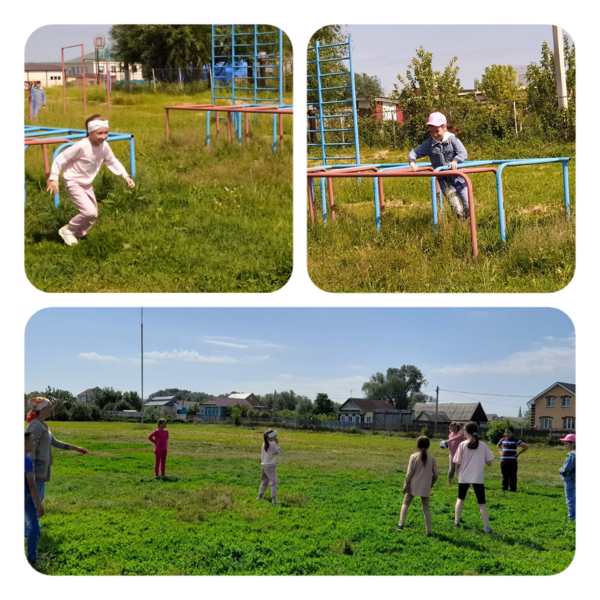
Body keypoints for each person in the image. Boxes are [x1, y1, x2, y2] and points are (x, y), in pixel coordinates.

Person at [46, 113, 135, 246]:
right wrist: (53, 178)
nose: (104, 136)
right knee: (89, 212)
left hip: (87, 184)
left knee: (93, 215)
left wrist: (125, 175)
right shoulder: (82, 146)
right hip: (73, 182)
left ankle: (77, 233)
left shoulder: (104, 146)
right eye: (100, 133)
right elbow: (61, 159)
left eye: (106, 133)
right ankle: (68, 230)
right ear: (90, 132)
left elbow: (112, 161)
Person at [25, 396, 89, 503]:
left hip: (42, 469)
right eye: (49, 407)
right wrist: (30, 473)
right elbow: (29, 449)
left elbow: (55, 442)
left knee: (37, 501)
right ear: (42, 409)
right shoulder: (36, 425)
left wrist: (76, 448)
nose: (51, 409)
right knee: (34, 504)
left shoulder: (44, 425)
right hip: (36, 471)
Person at [408, 111, 470, 219]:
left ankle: (471, 220)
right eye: (431, 132)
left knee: (466, 201)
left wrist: (456, 161)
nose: (434, 134)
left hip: (458, 176)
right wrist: (412, 162)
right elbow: (414, 152)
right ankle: (461, 222)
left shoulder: (452, 140)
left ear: (444, 127)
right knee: (455, 204)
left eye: (437, 131)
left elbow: (463, 152)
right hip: (444, 179)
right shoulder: (429, 143)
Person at [453, 421, 494, 533]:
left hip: (464, 477)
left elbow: (457, 462)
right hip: (478, 478)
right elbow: (490, 461)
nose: (463, 432)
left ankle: (456, 522)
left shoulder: (462, 445)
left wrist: (457, 474)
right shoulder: (483, 445)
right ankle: (486, 527)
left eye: (464, 430)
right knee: (482, 503)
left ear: (467, 431)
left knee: (460, 499)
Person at [398, 436, 438, 535]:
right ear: (428, 446)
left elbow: (409, 473)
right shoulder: (432, 458)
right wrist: (431, 484)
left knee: (405, 504)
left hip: (413, 485)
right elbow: (436, 475)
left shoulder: (413, 457)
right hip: (425, 486)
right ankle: (429, 531)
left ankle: (401, 524)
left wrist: (405, 485)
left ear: (417, 445)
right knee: (426, 508)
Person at [25, 431, 44, 566]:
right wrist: (39, 505)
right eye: (30, 441)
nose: (33, 443)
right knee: (34, 528)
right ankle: (31, 558)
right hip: (26, 498)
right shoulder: (26, 461)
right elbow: (32, 486)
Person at [497, 426, 528, 492]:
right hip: (503, 461)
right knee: (504, 475)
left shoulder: (515, 440)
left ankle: (513, 489)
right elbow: (498, 446)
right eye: (505, 432)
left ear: (512, 433)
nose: (506, 433)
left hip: (512, 461)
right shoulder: (502, 440)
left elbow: (526, 446)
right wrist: (500, 452)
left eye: (508, 432)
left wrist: (518, 454)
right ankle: (504, 488)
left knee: (512, 475)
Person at [257, 429, 281, 505]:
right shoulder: (273, 444)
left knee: (264, 481)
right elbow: (278, 452)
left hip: (264, 464)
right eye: (275, 435)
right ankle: (274, 499)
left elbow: (263, 455)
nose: (276, 436)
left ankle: (260, 495)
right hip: (270, 465)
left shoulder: (264, 443)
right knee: (274, 482)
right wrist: (277, 444)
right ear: (272, 437)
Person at [559, 433, 575, 521]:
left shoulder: (571, 454)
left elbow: (566, 469)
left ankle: (572, 518)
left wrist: (560, 470)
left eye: (566, 443)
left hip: (570, 480)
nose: (565, 445)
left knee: (570, 499)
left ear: (572, 444)